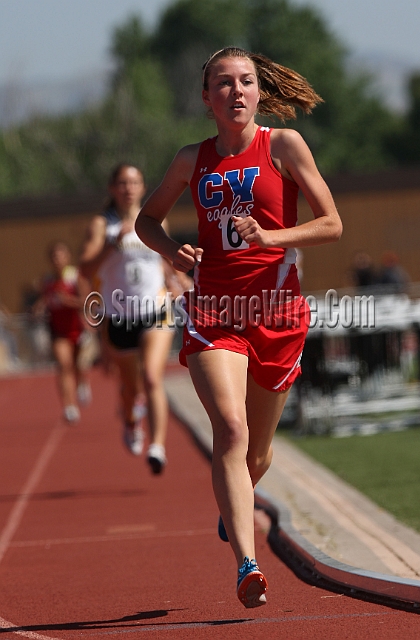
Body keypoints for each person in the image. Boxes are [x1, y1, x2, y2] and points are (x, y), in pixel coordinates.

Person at [135, 47, 342, 607]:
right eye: (223, 84)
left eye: (246, 81)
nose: (237, 91)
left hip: (276, 315)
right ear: (207, 98)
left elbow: (332, 223)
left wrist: (273, 238)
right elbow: (145, 219)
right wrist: (171, 250)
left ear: (258, 92)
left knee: (257, 455)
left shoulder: (284, 146)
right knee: (229, 431)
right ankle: (247, 564)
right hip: (215, 312)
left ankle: (237, 501)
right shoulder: (190, 158)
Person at [79, 164, 188, 474]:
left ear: (143, 187)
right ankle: (130, 418)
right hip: (119, 317)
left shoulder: (154, 219)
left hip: (156, 310)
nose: (129, 188)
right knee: (131, 386)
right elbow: (85, 268)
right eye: (123, 182)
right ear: (113, 188)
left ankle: (157, 446)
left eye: (135, 182)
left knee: (153, 377)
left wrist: (178, 280)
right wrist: (113, 244)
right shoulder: (102, 225)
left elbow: (164, 260)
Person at [35, 241, 92, 423]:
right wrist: (38, 308)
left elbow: (87, 301)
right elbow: (46, 299)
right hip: (57, 330)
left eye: (60, 255)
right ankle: (69, 406)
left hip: (76, 327)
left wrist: (69, 301)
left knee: (76, 364)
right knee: (64, 365)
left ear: (67, 257)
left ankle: (82, 382)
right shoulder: (48, 280)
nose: (57, 259)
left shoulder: (75, 277)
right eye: (54, 256)